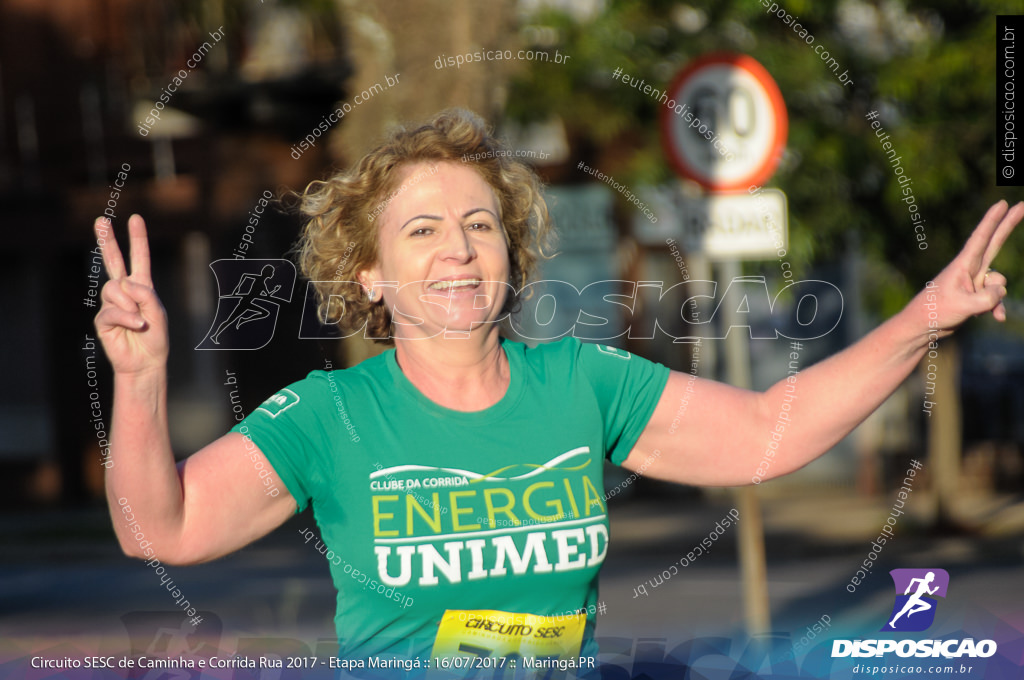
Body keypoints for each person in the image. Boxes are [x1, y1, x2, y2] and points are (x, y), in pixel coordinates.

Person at [93, 108, 1022, 671]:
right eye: (421, 231)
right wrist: (138, 383)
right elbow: (156, 530)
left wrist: (923, 319)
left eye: (479, 225)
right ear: (369, 273)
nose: (457, 249)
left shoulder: (582, 379)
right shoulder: (331, 415)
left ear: (511, 251)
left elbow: (764, 433)